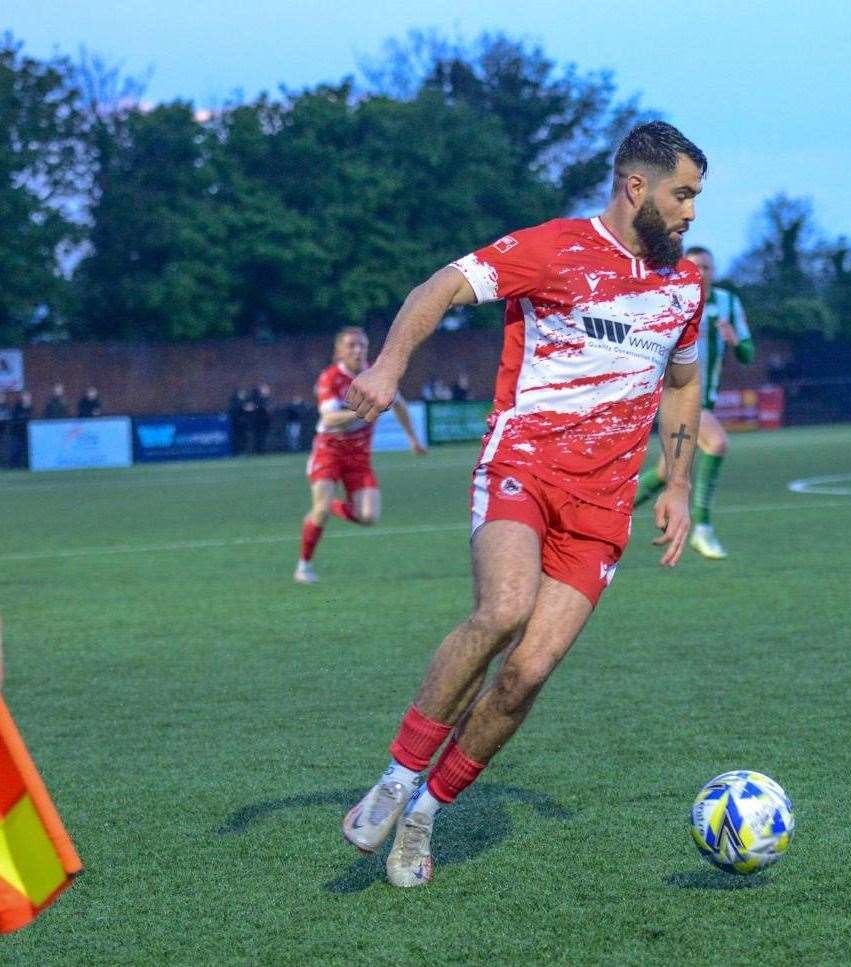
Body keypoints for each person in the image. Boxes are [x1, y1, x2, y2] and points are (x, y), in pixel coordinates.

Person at [340, 121, 707, 888]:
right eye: (682, 195)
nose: (690, 214)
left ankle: (426, 813)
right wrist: (388, 365)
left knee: (528, 672)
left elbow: (681, 385)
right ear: (635, 187)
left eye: (696, 198)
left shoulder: (684, 287)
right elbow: (437, 285)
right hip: (525, 466)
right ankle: (396, 777)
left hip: (603, 506)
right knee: (503, 609)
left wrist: (674, 485)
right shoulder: (552, 248)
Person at [632, 245, 753, 558]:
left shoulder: (728, 303)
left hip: (705, 397)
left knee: (665, 472)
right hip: (676, 391)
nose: (702, 273)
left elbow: (748, 355)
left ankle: (596, 514)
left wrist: (735, 342)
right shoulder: (669, 297)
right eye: (695, 266)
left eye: (707, 267)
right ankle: (702, 529)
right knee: (717, 444)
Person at [295, 328, 424, 584]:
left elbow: (399, 404)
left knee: (368, 517)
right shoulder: (330, 378)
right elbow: (329, 418)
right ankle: (304, 566)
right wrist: (363, 410)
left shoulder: (377, 377)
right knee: (318, 510)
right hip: (329, 450)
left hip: (359, 457)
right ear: (339, 351)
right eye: (351, 345)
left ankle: (330, 505)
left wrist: (412, 439)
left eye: (362, 345)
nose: (357, 350)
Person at [250, 383, 273, 454]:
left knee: (263, 437)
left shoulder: (266, 399)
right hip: (258, 421)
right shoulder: (258, 398)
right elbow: (257, 407)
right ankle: (258, 450)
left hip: (265, 421)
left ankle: (262, 450)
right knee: (258, 437)